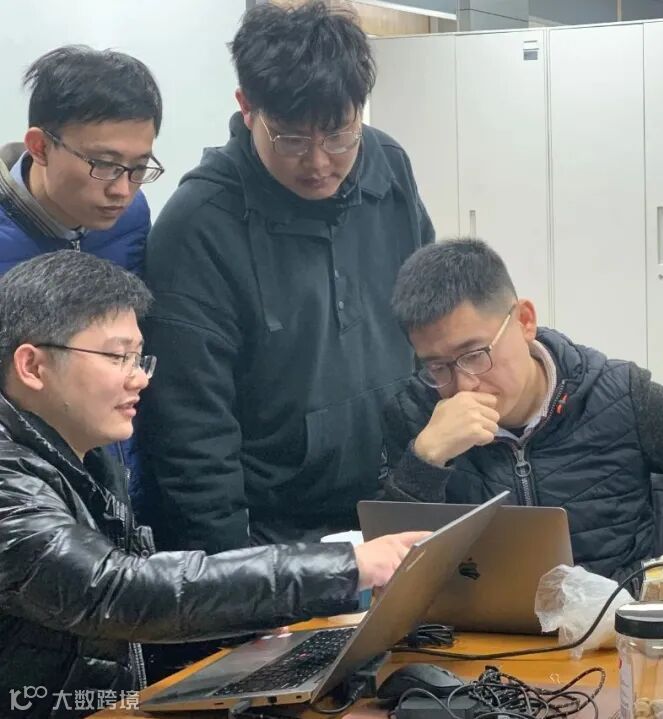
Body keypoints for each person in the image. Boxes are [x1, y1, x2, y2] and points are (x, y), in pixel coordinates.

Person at [0, 251, 426, 719]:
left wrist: (246, 616)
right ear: (32, 366)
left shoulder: (89, 458)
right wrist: (347, 567)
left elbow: (131, 625)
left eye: (139, 358)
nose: (139, 378)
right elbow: (114, 591)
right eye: (118, 356)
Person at [138, 0, 434, 553]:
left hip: (394, 495)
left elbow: (429, 320)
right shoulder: (199, 224)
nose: (319, 162)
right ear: (247, 108)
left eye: (339, 134)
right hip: (276, 534)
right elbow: (192, 431)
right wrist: (238, 576)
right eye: (292, 139)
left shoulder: (388, 165)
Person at [378, 238, 663, 585]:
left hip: (613, 628)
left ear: (524, 321)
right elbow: (393, 575)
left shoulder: (615, 394)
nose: (464, 385)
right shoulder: (416, 414)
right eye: (437, 367)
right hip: (474, 635)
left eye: (475, 354)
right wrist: (425, 460)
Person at [0, 45, 164, 496]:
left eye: (138, 167)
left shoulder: (131, 218)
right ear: (40, 146)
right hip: (28, 498)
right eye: (104, 165)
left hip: (122, 485)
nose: (122, 190)